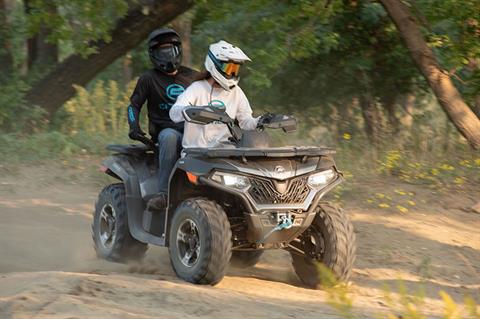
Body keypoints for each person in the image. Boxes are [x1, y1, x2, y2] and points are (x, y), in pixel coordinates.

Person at [127, 28, 200, 209]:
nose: (168, 55)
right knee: (169, 137)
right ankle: (164, 195)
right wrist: (133, 126)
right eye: (163, 51)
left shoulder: (193, 76)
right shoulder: (148, 78)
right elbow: (133, 105)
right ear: (154, 55)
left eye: (171, 50)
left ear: (178, 51)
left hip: (193, 130)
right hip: (165, 131)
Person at [170, 40, 270, 148]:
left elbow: (245, 122)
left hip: (225, 153)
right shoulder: (197, 88)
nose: (231, 73)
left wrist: (260, 121)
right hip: (196, 153)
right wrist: (194, 111)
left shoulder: (236, 92)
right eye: (228, 68)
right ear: (214, 65)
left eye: (234, 69)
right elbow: (174, 113)